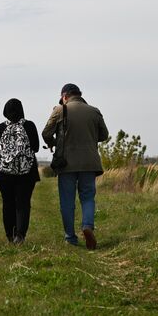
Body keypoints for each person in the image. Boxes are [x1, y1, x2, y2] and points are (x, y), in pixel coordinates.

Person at [42, 84, 109, 249]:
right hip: (89, 162)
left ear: (64, 96)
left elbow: (46, 133)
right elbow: (104, 135)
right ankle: (87, 226)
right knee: (87, 197)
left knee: (67, 201)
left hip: (66, 163)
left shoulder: (60, 110)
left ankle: (70, 237)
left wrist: (54, 143)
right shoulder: (94, 111)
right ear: (80, 95)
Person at [0, 98, 40, 244]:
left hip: (4, 173)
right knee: (23, 203)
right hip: (26, 172)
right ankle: (20, 235)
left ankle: (10, 235)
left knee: (8, 203)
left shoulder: (0, 127)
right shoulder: (30, 126)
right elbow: (36, 147)